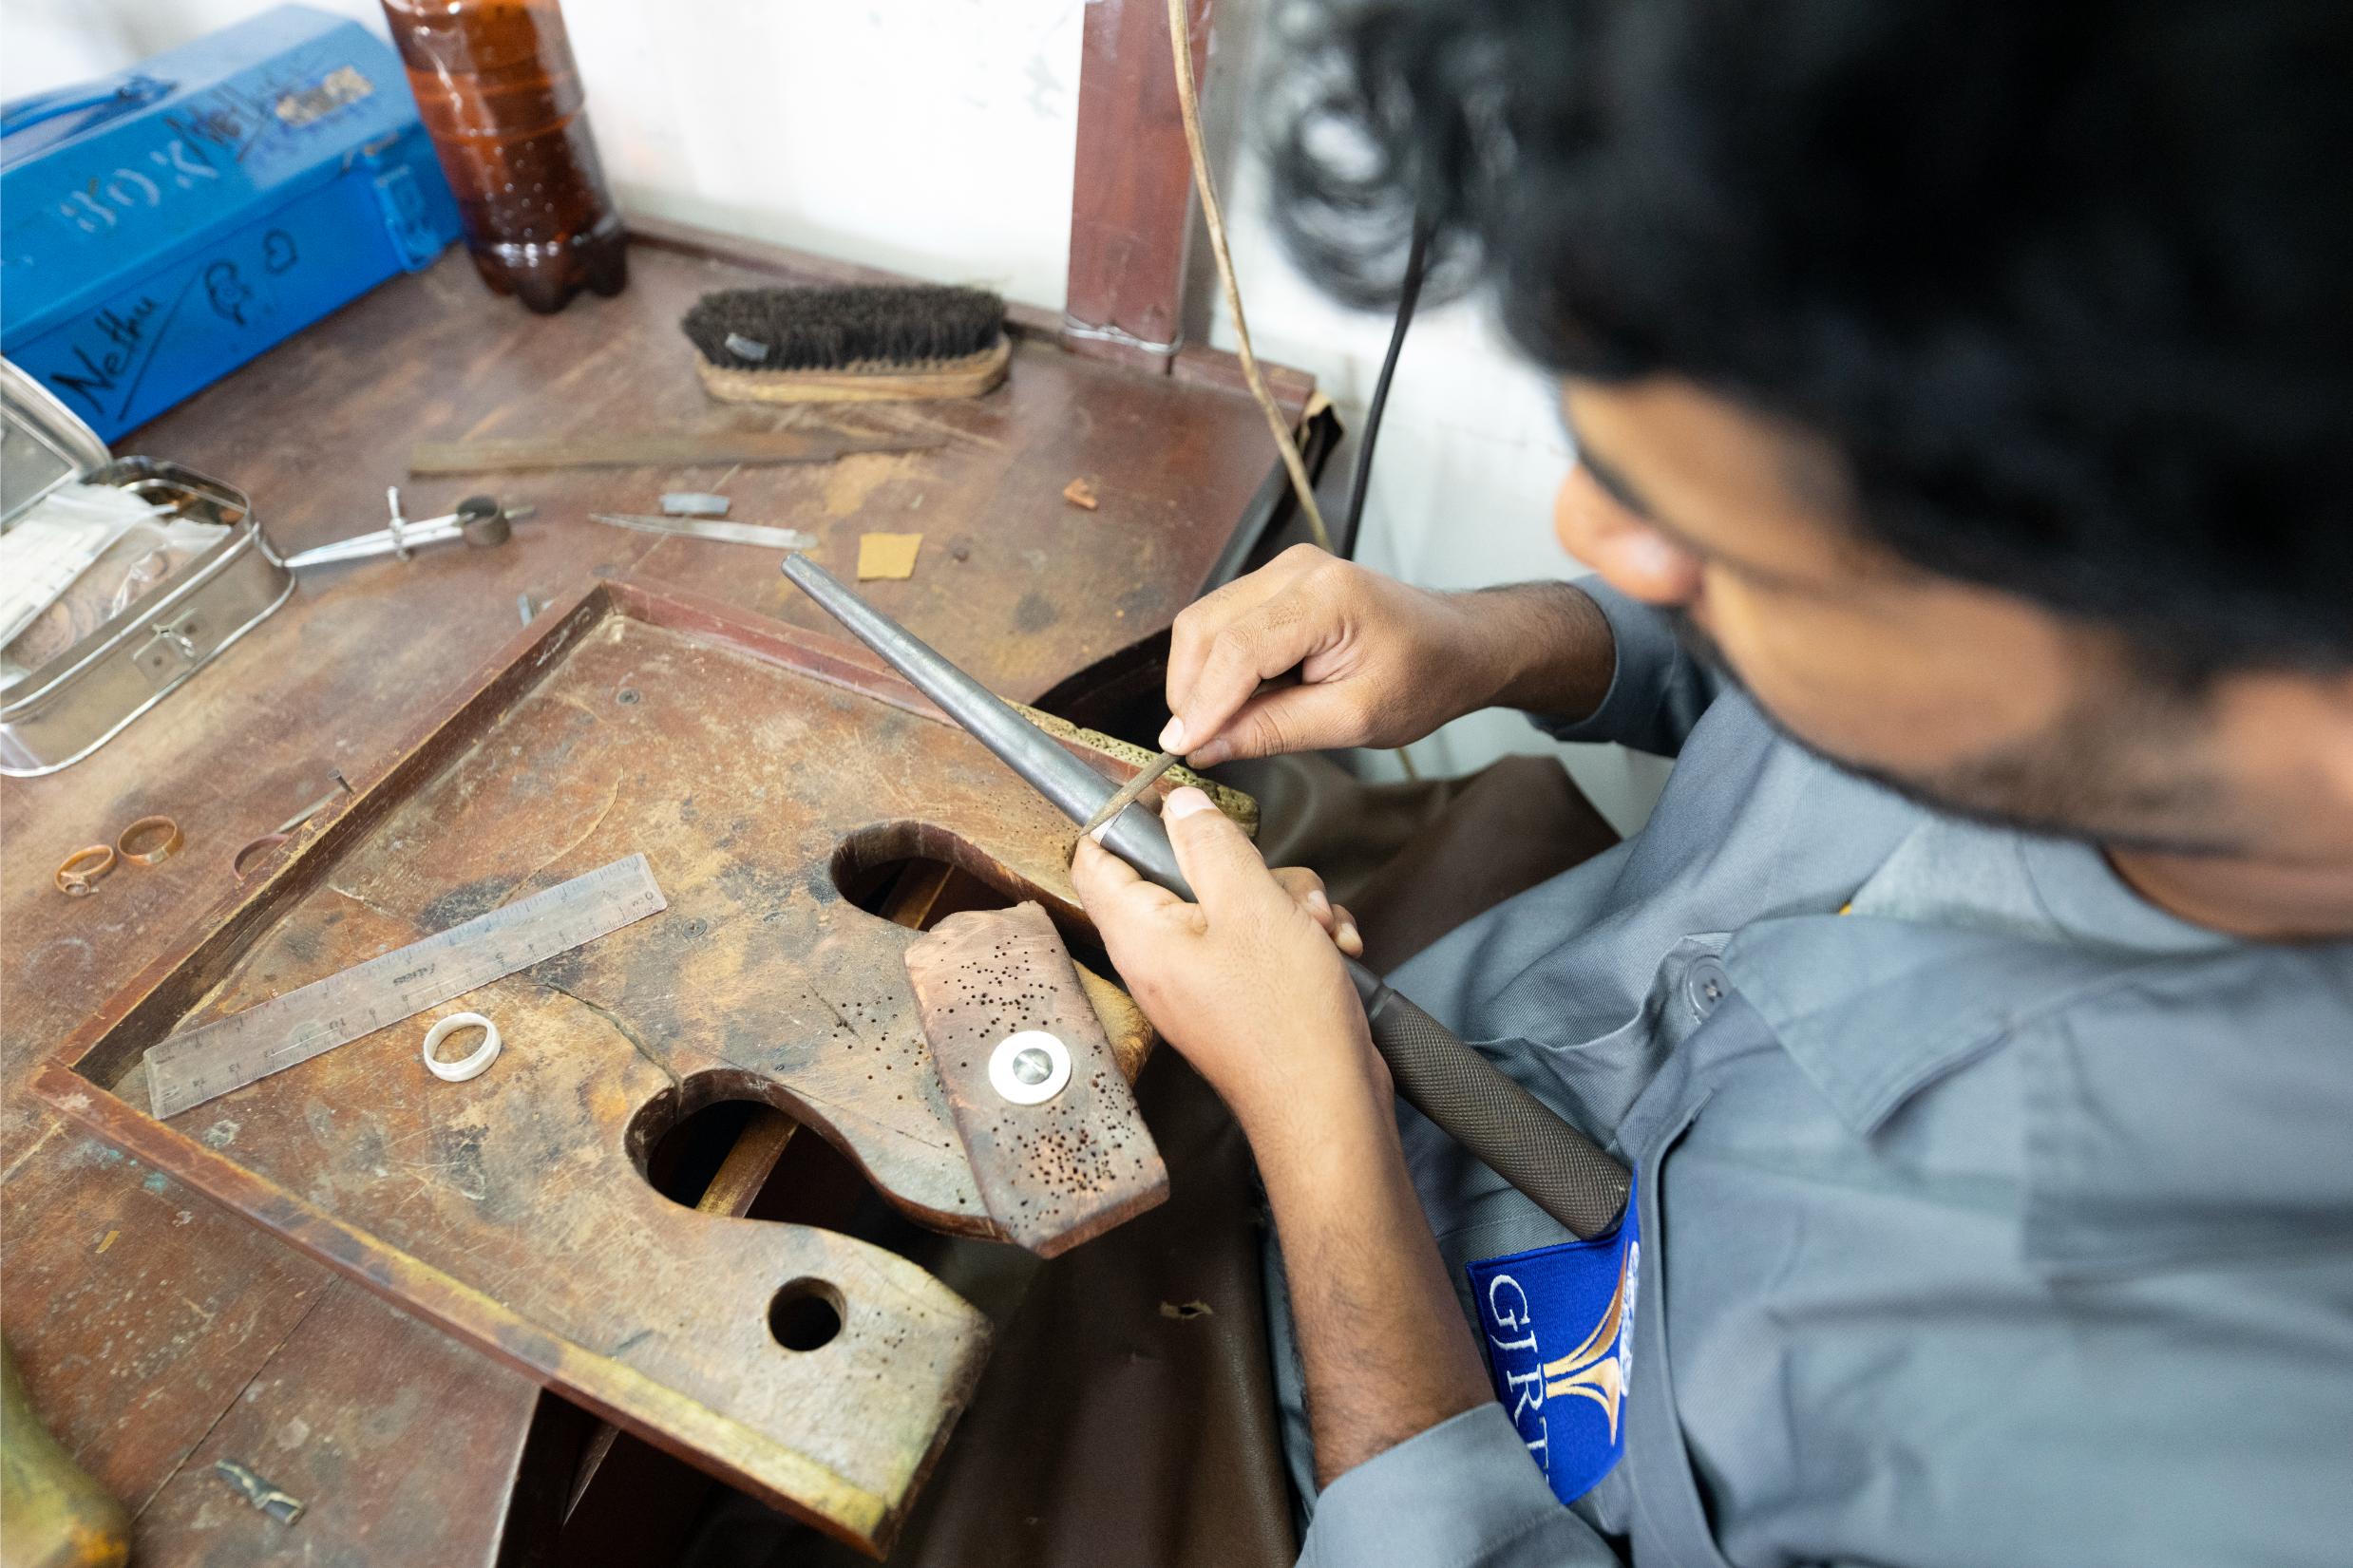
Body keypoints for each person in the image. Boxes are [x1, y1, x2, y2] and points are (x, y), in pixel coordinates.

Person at [1068, 2, 2353, 1564]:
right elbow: (1844, 681)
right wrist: (1491, 643)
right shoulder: (2099, 603)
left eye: (1737, 558)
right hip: (1411, 1020)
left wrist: (1320, 1135)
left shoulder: (2236, 1441)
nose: (1589, 533)